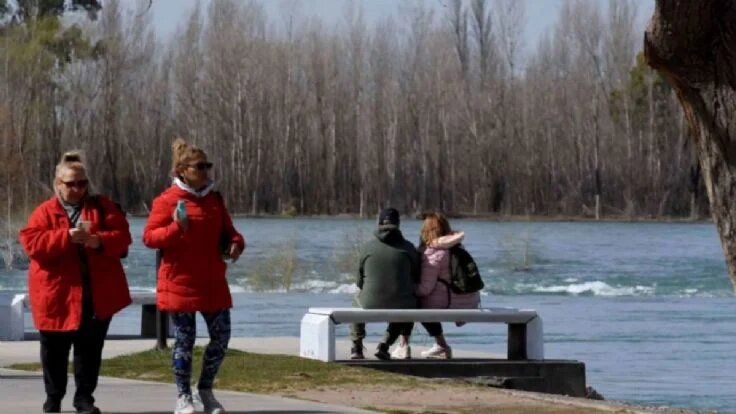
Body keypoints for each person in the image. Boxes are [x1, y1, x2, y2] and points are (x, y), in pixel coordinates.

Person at [19, 151, 132, 414]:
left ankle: (84, 399)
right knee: (53, 353)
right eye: (71, 184)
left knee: (89, 351)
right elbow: (32, 245)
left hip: (96, 295)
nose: (78, 188)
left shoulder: (103, 207)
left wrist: (99, 241)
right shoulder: (44, 212)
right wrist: (65, 237)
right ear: (58, 183)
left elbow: (123, 238)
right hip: (55, 295)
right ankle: (53, 399)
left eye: (82, 183)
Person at [143, 138, 245, 414]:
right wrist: (177, 228)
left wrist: (236, 244)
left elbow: (230, 232)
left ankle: (205, 390)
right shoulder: (167, 201)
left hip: (212, 280)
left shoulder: (214, 199)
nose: (206, 172)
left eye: (207, 166)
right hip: (180, 282)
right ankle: (183, 396)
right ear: (182, 171)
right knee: (185, 339)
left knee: (221, 336)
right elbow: (150, 238)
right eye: (200, 167)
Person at [349, 207, 420, 360]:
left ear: (378, 223)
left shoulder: (367, 247)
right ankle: (385, 345)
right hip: (402, 304)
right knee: (406, 306)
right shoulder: (408, 248)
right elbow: (415, 277)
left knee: (357, 300)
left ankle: (357, 346)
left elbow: (359, 282)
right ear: (398, 225)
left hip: (370, 302)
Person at [414, 212, 480, 359]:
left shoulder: (433, 253)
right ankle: (440, 345)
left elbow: (425, 289)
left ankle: (440, 344)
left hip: (449, 303)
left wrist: (408, 288)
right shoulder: (458, 247)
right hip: (470, 301)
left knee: (415, 303)